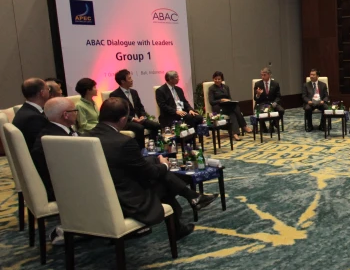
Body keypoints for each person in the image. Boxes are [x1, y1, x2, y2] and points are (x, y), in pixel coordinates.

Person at [89, 98, 217, 240]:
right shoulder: (124, 142)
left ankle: (191, 200)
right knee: (163, 180)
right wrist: (164, 165)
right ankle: (183, 214)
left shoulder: (84, 138)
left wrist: (155, 162)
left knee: (157, 167)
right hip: (125, 200)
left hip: (96, 197)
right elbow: (149, 173)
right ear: (123, 119)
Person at [31, 97, 78, 202]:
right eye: (75, 110)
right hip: (59, 189)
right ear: (66, 115)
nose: (76, 113)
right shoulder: (57, 141)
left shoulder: (53, 130)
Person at [110, 69, 161, 149]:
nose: (132, 80)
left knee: (156, 125)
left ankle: (152, 146)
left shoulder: (134, 92)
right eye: (129, 78)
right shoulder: (115, 95)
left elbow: (140, 106)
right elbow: (119, 113)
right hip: (126, 121)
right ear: (123, 81)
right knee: (139, 128)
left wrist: (142, 115)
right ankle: (141, 150)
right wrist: (133, 119)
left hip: (139, 119)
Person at [208, 71, 251, 141]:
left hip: (227, 106)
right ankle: (243, 126)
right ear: (213, 79)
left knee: (233, 110)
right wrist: (221, 100)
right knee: (233, 109)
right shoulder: (212, 88)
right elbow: (211, 102)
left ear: (222, 80)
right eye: (215, 79)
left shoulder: (226, 87)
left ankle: (235, 133)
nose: (217, 80)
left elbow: (229, 98)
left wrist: (228, 101)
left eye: (219, 79)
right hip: (217, 107)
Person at [12, 78, 50, 150]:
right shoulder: (33, 118)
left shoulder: (26, 109)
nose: (49, 92)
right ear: (42, 93)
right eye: (48, 89)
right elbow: (42, 146)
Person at [253, 67, 284, 133]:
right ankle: (263, 126)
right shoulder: (258, 84)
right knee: (257, 112)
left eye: (264, 75)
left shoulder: (275, 84)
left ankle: (273, 124)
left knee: (281, 110)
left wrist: (275, 103)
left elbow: (278, 96)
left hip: (272, 103)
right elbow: (255, 98)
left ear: (269, 75)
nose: (263, 77)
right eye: (262, 75)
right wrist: (258, 95)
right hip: (262, 103)